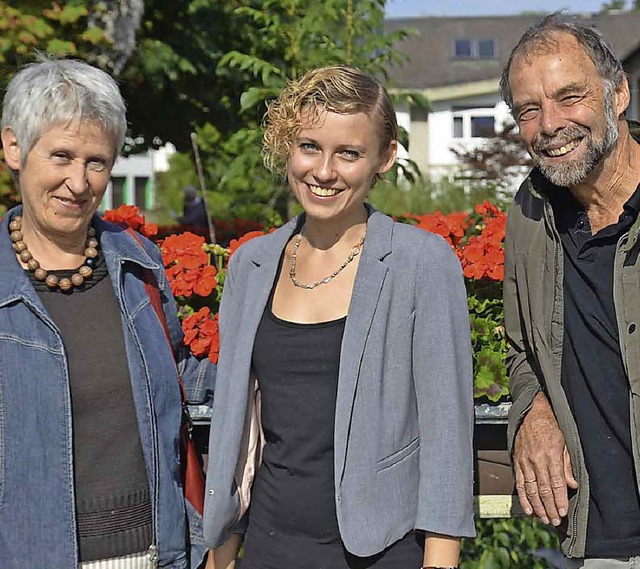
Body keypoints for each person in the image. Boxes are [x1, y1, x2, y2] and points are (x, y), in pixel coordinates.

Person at [202, 65, 475, 569]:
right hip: (267, 546)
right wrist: (222, 554)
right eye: (309, 146)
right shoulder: (250, 265)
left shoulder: (421, 262)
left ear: (384, 159)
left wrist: (440, 562)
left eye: (348, 153)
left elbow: (447, 434)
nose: (323, 171)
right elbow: (237, 428)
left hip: (380, 552)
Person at [0, 58, 215, 568]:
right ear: (13, 147)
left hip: (155, 553)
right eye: (61, 156)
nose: (79, 182)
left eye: (96, 161)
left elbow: (184, 384)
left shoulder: (140, 265)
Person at [500, 12, 640, 567]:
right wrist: (532, 410)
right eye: (529, 110)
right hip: (596, 539)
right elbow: (520, 349)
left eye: (568, 97)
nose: (549, 124)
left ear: (619, 93)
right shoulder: (530, 215)